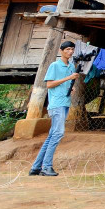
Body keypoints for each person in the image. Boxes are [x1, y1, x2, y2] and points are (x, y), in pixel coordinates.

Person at [29, 40, 79, 176]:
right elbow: (49, 84)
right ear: (61, 51)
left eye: (72, 49)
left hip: (65, 102)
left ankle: (36, 167)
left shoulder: (71, 66)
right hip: (56, 104)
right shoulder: (54, 65)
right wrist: (68, 78)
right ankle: (46, 167)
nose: (70, 52)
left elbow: (65, 83)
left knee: (52, 135)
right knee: (58, 134)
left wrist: (71, 87)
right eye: (67, 49)